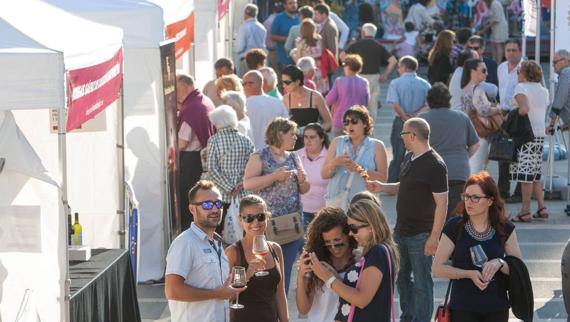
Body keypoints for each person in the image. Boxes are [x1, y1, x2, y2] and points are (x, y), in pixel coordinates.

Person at [367, 118, 448, 322]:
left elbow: (442, 203)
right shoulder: (409, 157)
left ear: (412, 136)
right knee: (401, 279)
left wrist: (434, 237)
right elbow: (404, 186)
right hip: (401, 231)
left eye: (403, 134)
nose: (400, 137)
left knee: (422, 283)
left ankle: (421, 319)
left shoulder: (435, 164)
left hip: (421, 235)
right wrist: (382, 187)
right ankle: (408, 316)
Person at [432, 171, 522, 322]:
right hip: (463, 307)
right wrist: (469, 274)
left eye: (475, 198)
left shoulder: (505, 227)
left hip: (496, 307)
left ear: (490, 201)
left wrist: (499, 263)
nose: (469, 202)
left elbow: (518, 268)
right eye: (466, 196)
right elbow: (437, 269)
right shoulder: (454, 226)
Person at [243, 117, 310, 294]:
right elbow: (248, 184)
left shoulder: (294, 157)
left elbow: (304, 189)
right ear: (279, 133)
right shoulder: (260, 156)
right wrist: (274, 176)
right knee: (265, 267)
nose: (296, 138)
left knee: (285, 270)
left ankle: (281, 307)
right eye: (292, 134)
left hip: (292, 224)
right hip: (266, 225)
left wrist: (303, 180)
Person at [165, 180, 245, 322]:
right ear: (192, 209)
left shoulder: (218, 243)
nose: (214, 210)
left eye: (218, 204)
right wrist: (216, 294)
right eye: (207, 205)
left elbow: (221, 295)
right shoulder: (185, 243)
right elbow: (172, 290)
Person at [309, 199, 400, 322]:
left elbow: (362, 299)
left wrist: (328, 278)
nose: (351, 233)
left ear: (370, 226)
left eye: (354, 228)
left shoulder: (378, 252)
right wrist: (335, 277)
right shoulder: (376, 251)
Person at [420, 82, 480, 217]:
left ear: (429, 100)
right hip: (459, 171)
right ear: (449, 99)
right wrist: (463, 157)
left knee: (433, 214)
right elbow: (475, 144)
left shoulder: (423, 119)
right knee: (454, 214)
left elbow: (413, 147)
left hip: (432, 172)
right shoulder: (462, 117)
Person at [225, 195, 288, 322]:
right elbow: (225, 298)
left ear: (268, 217)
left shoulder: (275, 249)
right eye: (249, 218)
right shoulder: (233, 252)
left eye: (260, 217)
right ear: (240, 220)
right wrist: (247, 275)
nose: (255, 223)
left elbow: (280, 293)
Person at [296, 207, 356, 322]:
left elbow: (360, 300)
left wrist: (333, 279)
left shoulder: (359, 261)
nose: (334, 248)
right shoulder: (317, 261)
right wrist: (300, 276)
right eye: (327, 244)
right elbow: (303, 309)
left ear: (348, 234)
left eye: (338, 243)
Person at [322, 106, 388, 207]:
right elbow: (324, 174)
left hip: (363, 205)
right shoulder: (337, 142)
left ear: (365, 124)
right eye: (346, 122)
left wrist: (359, 169)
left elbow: (383, 179)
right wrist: (335, 163)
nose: (350, 126)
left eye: (354, 121)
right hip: (336, 202)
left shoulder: (377, 146)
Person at [509, 61, 549, 223]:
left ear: (525, 73)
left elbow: (524, 109)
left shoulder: (521, 87)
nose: (517, 73)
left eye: (519, 71)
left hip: (526, 135)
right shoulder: (544, 90)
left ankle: (525, 211)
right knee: (535, 173)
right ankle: (541, 207)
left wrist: (511, 115)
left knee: (525, 175)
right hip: (539, 134)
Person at [176, 73, 216, 231]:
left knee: (190, 198)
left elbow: (182, 142)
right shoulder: (203, 100)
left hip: (192, 161)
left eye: (176, 89)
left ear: (185, 87)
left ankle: (190, 230)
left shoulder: (191, 107)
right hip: (201, 158)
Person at [206, 105, 255, 232]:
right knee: (243, 230)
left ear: (216, 122)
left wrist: (229, 188)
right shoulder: (246, 140)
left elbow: (212, 169)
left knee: (220, 231)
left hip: (222, 195)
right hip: (243, 194)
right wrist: (241, 184)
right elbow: (253, 167)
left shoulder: (214, 140)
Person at [386, 56, 431, 182]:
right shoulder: (425, 83)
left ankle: (394, 182)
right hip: (419, 122)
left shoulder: (395, 83)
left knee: (398, 154)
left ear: (405, 67)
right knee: (419, 152)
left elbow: (395, 104)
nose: (398, 69)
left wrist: (405, 118)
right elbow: (428, 105)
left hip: (401, 121)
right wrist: (415, 115)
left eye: (399, 66)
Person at [343, 23, 397, 118]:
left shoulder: (356, 45)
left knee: (358, 106)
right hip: (374, 78)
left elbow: (342, 55)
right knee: (372, 107)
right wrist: (385, 74)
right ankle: (370, 130)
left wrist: (350, 68)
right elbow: (393, 60)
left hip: (358, 77)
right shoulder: (379, 46)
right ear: (374, 34)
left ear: (363, 33)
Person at [460, 59, 502, 174]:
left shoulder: (465, 88)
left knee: (473, 169)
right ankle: (473, 192)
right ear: (473, 71)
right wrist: (499, 108)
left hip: (470, 133)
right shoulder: (477, 89)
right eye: (483, 71)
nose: (487, 73)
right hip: (479, 134)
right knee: (476, 171)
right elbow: (484, 110)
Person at [281, 65, 332, 149]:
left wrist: (313, 130)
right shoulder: (285, 99)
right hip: (294, 146)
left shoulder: (315, 96)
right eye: (282, 82)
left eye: (287, 82)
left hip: (314, 145)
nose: (284, 85)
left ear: (297, 81)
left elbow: (329, 123)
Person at [497, 39, 524, 202]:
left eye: (514, 50)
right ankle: (503, 190)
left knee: (521, 155)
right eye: (508, 50)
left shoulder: (525, 67)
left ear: (520, 51)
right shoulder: (501, 67)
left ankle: (520, 192)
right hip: (503, 113)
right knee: (503, 153)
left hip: (520, 114)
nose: (511, 53)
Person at [242, 70, 289, 151]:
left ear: (261, 83)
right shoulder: (277, 102)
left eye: (250, 83)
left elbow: (287, 127)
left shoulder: (242, 105)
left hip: (255, 153)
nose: (247, 86)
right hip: (272, 152)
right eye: (244, 84)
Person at [326, 55, 370, 136]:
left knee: (341, 146)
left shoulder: (339, 81)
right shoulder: (364, 82)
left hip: (341, 121)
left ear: (348, 67)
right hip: (358, 121)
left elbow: (328, 100)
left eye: (344, 65)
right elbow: (366, 102)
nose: (343, 67)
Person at [297, 123, 330, 228]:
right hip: (301, 211)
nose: (308, 140)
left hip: (325, 211)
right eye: (305, 137)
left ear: (322, 138)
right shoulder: (296, 156)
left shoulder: (331, 156)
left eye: (312, 137)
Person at [289, 18, 329, 94]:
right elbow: (322, 51)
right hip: (319, 68)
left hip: (307, 69)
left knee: (309, 93)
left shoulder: (300, 42)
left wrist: (293, 53)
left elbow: (299, 59)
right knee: (321, 93)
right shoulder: (319, 39)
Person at [235, 4, 267, 77]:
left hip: (247, 61)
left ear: (245, 13)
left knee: (245, 83)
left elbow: (239, 48)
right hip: (259, 60)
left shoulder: (244, 27)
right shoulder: (262, 27)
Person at [270, 0, 300, 69]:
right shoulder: (279, 18)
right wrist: (289, 39)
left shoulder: (300, 17)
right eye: (290, 3)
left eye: (295, 3)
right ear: (285, 5)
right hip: (284, 58)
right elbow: (272, 36)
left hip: (299, 59)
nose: (293, 5)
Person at [479, 0, 509, 64]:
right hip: (495, 28)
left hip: (499, 28)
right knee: (494, 44)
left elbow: (496, 19)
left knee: (498, 45)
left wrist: (487, 27)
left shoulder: (495, 4)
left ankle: (498, 63)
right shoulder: (492, 4)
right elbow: (492, 17)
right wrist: (487, 23)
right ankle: (494, 61)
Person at [548, 50, 570, 128]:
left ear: (565, 61)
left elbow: (560, 100)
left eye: (555, 62)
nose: (553, 65)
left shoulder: (566, 72)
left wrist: (551, 124)